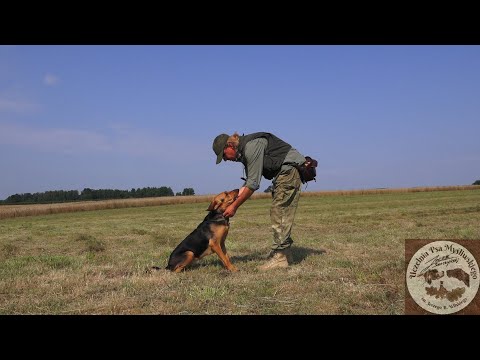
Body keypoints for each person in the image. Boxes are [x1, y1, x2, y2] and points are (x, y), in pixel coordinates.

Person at [212, 132, 306, 270]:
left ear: (230, 145)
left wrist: (234, 207)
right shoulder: (245, 150)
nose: (225, 159)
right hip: (286, 173)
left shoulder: (251, 147)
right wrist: (232, 202)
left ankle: (280, 258)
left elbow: (252, 184)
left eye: (224, 155)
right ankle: (285, 254)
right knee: (282, 213)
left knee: (279, 213)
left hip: (288, 172)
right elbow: (248, 183)